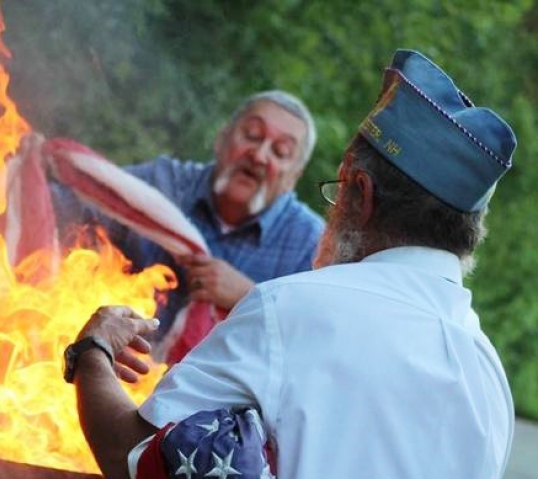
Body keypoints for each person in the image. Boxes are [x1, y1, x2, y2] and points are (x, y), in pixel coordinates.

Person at [63, 49, 516, 479]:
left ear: (363, 193)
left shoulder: (290, 309)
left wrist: (93, 351)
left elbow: (131, 455)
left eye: (338, 189)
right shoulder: (489, 377)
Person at [53, 90, 324, 345]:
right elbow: (67, 207)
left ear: (293, 178)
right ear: (222, 138)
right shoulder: (164, 184)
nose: (259, 155)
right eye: (252, 135)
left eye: (281, 152)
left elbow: (316, 338)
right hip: (116, 373)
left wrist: (250, 297)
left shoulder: (310, 245)